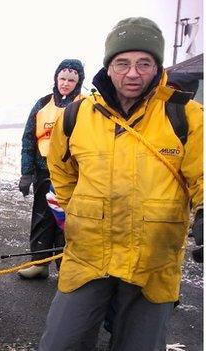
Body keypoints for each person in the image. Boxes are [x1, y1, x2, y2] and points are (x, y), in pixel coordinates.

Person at [39, 17, 203, 350]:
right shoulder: (76, 115)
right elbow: (61, 169)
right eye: (122, 63)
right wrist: (78, 209)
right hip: (87, 256)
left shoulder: (187, 116)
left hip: (153, 261)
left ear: (157, 67)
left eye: (144, 63)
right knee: (60, 342)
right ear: (108, 67)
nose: (132, 73)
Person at [17, 59, 85, 279]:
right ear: (56, 78)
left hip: (72, 176)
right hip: (43, 173)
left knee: (66, 222)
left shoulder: (86, 105)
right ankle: (39, 264)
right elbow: (28, 138)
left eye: (71, 80)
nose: (66, 83)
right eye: (63, 78)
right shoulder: (42, 104)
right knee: (42, 218)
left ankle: (66, 268)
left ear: (79, 81)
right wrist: (27, 172)